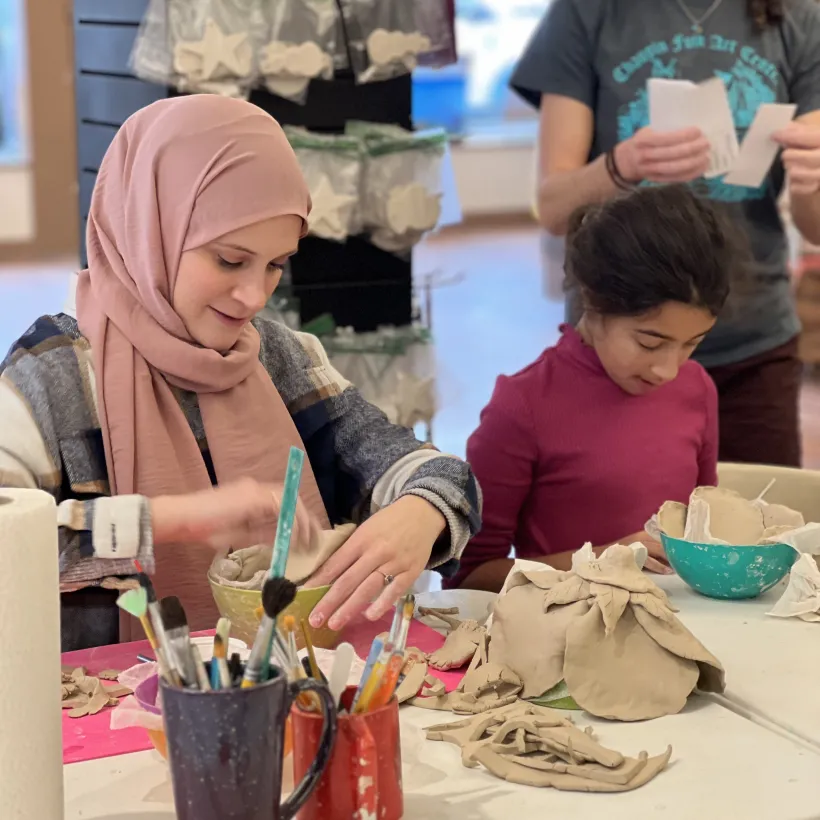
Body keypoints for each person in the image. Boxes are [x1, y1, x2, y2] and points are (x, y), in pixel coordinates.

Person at [0, 95, 481, 651]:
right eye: (229, 260)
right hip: (111, 721)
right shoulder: (50, 377)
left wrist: (421, 514)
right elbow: (11, 543)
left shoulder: (281, 359)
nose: (254, 295)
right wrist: (172, 520)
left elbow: (435, 472)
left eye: (276, 265)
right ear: (150, 229)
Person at [511, 0, 820, 467]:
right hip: (619, 344)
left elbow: (814, 227)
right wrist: (623, 165)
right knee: (616, 533)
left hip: (752, 347)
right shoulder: (587, 12)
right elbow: (553, 208)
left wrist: (810, 179)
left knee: (763, 525)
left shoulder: (799, 17)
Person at [450, 185, 744, 592]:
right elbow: (473, 579)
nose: (668, 370)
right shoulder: (522, 407)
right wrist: (604, 560)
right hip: (569, 635)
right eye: (650, 342)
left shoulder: (696, 389)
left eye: (693, 343)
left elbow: (701, 528)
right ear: (593, 300)